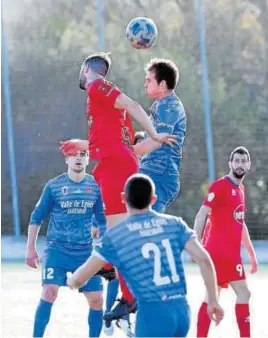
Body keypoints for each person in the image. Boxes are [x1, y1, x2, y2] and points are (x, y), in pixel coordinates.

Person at [60, 52, 176, 331]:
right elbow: (113, 140)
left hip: (115, 166)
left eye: (82, 68)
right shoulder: (103, 101)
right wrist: (82, 144)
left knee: (117, 235)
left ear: (88, 69)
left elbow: (134, 104)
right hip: (114, 164)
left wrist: (154, 133)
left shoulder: (97, 86)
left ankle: (128, 295)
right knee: (104, 222)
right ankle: (112, 269)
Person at [66, 173, 224, 337]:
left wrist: (71, 279)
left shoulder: (117, 236)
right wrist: (213, 299)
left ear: (123, 198)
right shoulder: (175, 224)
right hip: (181, 311)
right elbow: (204, 259)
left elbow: (80, 278)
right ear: (153, 199)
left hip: (152, 313)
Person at [25, 140, 106, 338]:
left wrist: (105, 245)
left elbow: (103, 220)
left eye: (83, 154)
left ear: (88, 158)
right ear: (67, 158)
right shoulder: (54, 186)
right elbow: (36, 217)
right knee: (49, 292)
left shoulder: (96, 186)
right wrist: (31, 249)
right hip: (57, 250)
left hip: (86, 252)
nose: (78, 158)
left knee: (96, 300)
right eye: (74, 154)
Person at [194, 146, 258, 338]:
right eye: (236, 161)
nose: (239, 164)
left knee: (211, 297)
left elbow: (241, 223)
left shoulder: (240, 188)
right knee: (244, 293)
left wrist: (252, 255)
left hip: (226, 254)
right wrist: (195, 244)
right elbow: (202, 213)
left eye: (243, 161)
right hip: (221, 253)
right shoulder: (221, 185)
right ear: (230, 163)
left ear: (248, 165)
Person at [134, 58, 187, 213]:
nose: (145, 84)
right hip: (152, 171)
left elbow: (155, 142)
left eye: (149, 80)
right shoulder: (161, 105)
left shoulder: (168, 106)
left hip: (159, 173)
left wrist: (126, 151)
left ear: (162, 84)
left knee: (147, 226)